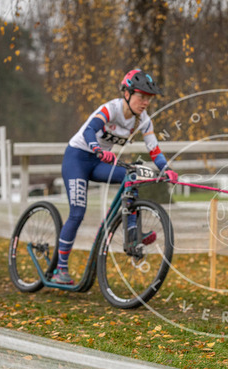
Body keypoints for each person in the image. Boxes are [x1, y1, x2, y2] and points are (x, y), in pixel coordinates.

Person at [52, 69, 178, 284]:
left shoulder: (143, 120)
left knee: (131, 176)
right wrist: (97, 149)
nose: (146, 102)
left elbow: (154, 149)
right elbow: (89, 130)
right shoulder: (111, 109)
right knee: (77, 213)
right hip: (77, 158)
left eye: (149, 98)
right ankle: (60, 269)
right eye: (141, 96)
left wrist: (166, 168)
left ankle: (132, 235)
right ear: (127, 94)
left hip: (99, 162)